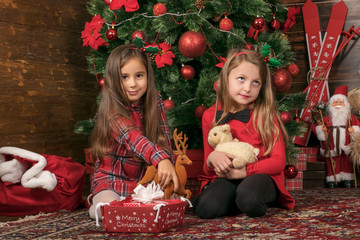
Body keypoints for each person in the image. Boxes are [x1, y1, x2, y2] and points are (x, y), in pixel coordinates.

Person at [193, 49, 295, 219]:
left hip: (261, 176)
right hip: (228, 177)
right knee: (206, 209)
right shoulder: (210, 115)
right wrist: (213, 158)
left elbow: (278, 162)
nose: (247, 88)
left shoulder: (265, 114)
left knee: (250, 199)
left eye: (256, 82)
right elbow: (207, 166)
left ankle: (250, 198)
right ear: (226, 79)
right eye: (241, 79)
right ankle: (233, 199)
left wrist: (247, 171)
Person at [87, 44, 179, 219]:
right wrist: (162, 160)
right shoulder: (111, 109)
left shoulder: (155, 100)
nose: (133, 84)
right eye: (124, 77)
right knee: (107, 209)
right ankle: (100, 207)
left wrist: (168, 170)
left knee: (165, 206)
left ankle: (137, 206)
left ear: (147, 76)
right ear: (114, 79)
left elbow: (164, 139)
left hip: (143, 182)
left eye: (139, 76)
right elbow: (133, 138)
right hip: (111, 180)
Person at [312, 85, 360, 188]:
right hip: (331, 145)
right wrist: (321, 129)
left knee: (347, 161)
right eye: (336, 102)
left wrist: (354, 130)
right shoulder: (327, 118)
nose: (338, 104)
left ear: (345, 104)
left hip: (347, 144)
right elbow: (317, 126)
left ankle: (348, 179)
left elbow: (357, 126)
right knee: (332, 162)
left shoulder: (350, 118)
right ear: (331, 105)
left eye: (340, 102)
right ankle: (333, 179)